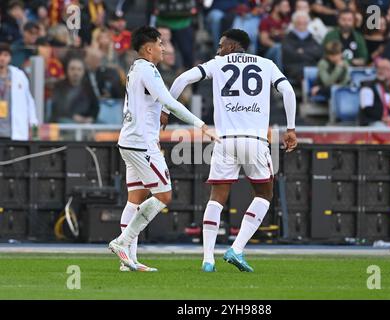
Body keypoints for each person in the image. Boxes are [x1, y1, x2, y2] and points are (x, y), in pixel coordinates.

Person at [166, 29, 297, 272]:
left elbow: (182, 79)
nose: (218, 49)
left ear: (232, 46)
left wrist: (166, 109)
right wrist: (291, 129)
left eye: (221, 44)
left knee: (216, 198)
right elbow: (288, 91)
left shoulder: (217, 63)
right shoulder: (266, 64)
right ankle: (236, 249)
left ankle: (207, 259)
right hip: (255, 140)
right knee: (264, 195)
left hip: (225, 140)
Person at [108, 26, 218, 272]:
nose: (164, 48)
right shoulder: (148, 69)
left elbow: (149, 106)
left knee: (135, 199)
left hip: (131, 140)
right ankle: (122, 243)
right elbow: (169, 101)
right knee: (164, 195)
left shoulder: (136, 68)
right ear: (149, 48)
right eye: (160, 44)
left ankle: (128, 261)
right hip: (141, 145)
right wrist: (201, 124)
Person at [0, 43, 38, 141]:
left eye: (5, 55)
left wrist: (34, 129)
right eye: (0, 55)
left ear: (10, 58)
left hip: (15, 131)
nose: (2, 58)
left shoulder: (19, 76)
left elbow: (29, 102)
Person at [49, 56, 99, 123]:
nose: (76, 72)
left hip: (86, 121)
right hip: (65, 120)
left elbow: (95, 106)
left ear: (83, 71)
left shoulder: (88, 87)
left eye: (79, 69)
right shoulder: (59, 86)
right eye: (72, 69)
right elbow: (57, 108)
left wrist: (90, 118)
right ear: (67, 70)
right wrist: (73, 116)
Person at [281, 11, 323, 87]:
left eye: (304, 23)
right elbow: (291, 55)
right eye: (299, 23)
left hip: (311, 67)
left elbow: (319, 53)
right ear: (294, 23)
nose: (302, 25)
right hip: (294, 68)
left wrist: (302, 52)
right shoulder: (287, 38)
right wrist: (310, 53)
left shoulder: (312, 38)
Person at [359, 58, 390, 127]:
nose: (381, 71)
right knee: (381, 127)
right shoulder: (367, 87)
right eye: (379, 68)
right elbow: (367, 109)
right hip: (374, 122)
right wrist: (382, 118)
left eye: (384, 68)